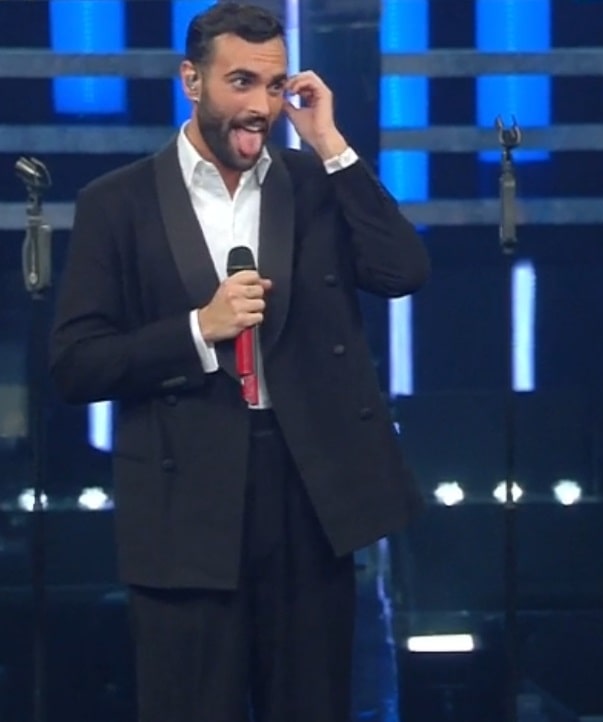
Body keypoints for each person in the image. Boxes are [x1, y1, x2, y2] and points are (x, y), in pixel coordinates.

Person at [48, 4, 429, 721]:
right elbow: (77, 364)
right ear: (191, 81)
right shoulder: (117, 203)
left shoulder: (314, 182)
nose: (261, 106)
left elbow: (402, 269)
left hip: (309, 494)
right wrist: (200, 329)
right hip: (185, 502)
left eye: (275, 85)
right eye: (242, 82)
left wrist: (330, 143)